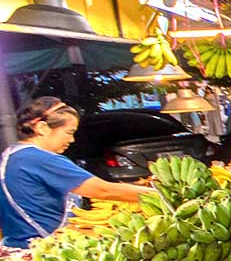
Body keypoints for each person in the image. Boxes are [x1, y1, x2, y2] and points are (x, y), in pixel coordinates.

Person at [0, 98, 154, 248]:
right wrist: (160, 194)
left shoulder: (12, 155)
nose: (72, 139)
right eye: (69, 132)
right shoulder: (39, 159)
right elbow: (103, 190)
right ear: (42, 128)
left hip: (15, 246)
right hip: (42, 249)